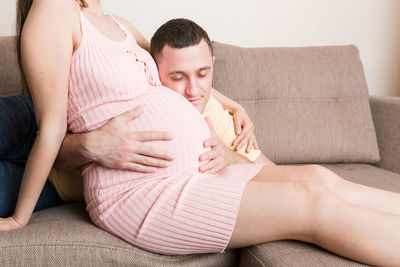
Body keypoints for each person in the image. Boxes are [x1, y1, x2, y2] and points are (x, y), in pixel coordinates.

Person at [1, 1, 400, 266]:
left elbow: (172, 70)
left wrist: (227, 103)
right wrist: (20, 218)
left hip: (196, 172)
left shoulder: (116, 23)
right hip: (139, 191)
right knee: (311, 202)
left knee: (318, 176)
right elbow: (51, 125)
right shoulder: (52, 10)